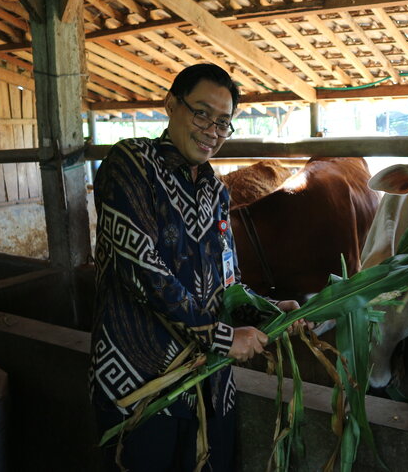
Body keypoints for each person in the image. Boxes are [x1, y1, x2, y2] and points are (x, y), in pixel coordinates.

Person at [90, 63, 299, 471]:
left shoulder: (217, 193)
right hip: (141, 388)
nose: (212, 130)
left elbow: (228, 284)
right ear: (171, 105)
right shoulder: (131, 164)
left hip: (210, 389)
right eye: (201, 113)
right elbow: (143, 273)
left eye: (224, 122)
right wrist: (223, 338)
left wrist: (270, 312)